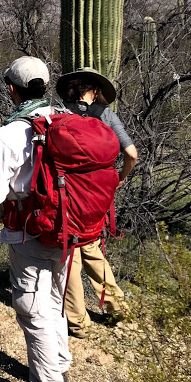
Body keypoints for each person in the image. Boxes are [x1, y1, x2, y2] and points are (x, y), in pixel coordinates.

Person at [0, 56, 71, 382]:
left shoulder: (8, 134)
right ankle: (60, 367)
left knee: (33, 313)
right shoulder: (65, 120)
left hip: (29, 232)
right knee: (54, 302)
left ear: (11, 89)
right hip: (67, 228)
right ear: (46, 86)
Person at [55, 67, 138, 339]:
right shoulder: (106, 116)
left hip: (67, 197)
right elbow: (131, 154)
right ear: (94, 90)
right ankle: (119, 310)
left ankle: (79, 323)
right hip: (99, 197)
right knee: (92, 248)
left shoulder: (57, 115)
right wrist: (119, 178)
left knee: (71, 257)